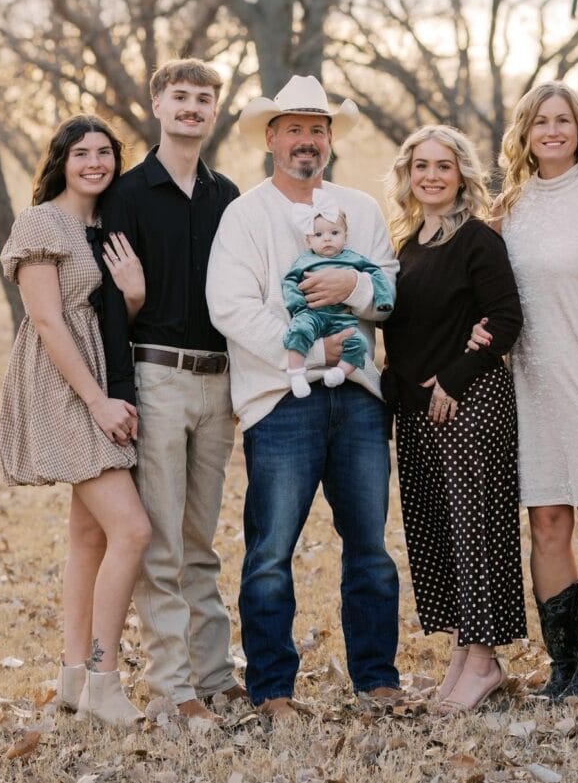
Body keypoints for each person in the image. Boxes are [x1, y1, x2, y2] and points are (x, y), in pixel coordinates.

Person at [206, 75, 401, 720]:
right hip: (279, 400)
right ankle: (273, 691)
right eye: (293, 129)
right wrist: (310, 352)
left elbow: (388, 293)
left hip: (359, 398)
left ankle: (377, 680)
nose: (306, 141)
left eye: (317, 129)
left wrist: (353, 287)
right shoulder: (245, 215)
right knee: (270, 552)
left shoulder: (361, 210)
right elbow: (230, 307)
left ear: (330, 140)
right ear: (270, 138)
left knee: (369, 549)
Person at [474, 81, 578, 701]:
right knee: (546, 523)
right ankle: (562, 667)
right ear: (524, 133)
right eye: (541, 121)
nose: (552, 130)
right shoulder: (507, 209)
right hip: (531, 387)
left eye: (563, 120)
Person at [100, 58, 243, 723]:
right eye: (180, 96)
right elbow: (109, 308)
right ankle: (173, 688)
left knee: (200, 541)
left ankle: (214, 675)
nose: (192, 107)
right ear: (157, 104)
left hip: (218, 381)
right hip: (155, 376)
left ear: (214, 110)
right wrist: (121, 390)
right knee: (161, 544)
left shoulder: (228, 196)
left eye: (203, 98)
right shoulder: (126, 195)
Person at [0, 115, 152, 726]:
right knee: (131, 531)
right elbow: (47, 320)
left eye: (105, 152)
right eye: (81, 152)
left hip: (99, 375)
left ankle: (72, 679)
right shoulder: (42, 223)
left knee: (90, 538)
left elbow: (105, 317)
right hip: (65, 384)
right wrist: (96, 401)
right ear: (61, 160)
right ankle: (105, 681)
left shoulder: (105, 225)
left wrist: (133, 297)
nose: (95, 162)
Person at [382, 125, 526, 715]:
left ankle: (485, 660)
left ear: (463, 175)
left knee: (476, 532)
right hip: (420, 413)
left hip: (471, 405)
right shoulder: (407, 245)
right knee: (439, 533)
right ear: (408, 174)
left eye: (444, 165)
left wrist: (453, 378)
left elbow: (507, 318)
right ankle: (463, 657)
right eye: (421, 165)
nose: (432, 175)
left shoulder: (477, 240)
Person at [284, 190, 394, 397]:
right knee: (299, 330)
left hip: (342, 317)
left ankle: (340, 372)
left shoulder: (354, 259)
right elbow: (290, 282)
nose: (327, 239)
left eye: (334, 233)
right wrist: (297, 306)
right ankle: (296, 372)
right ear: (308, 240)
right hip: (312, 314)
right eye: (318, 235)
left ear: (345, 237)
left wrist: (383, 299)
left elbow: (376, 274)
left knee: (359, 343)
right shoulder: (305, 261)